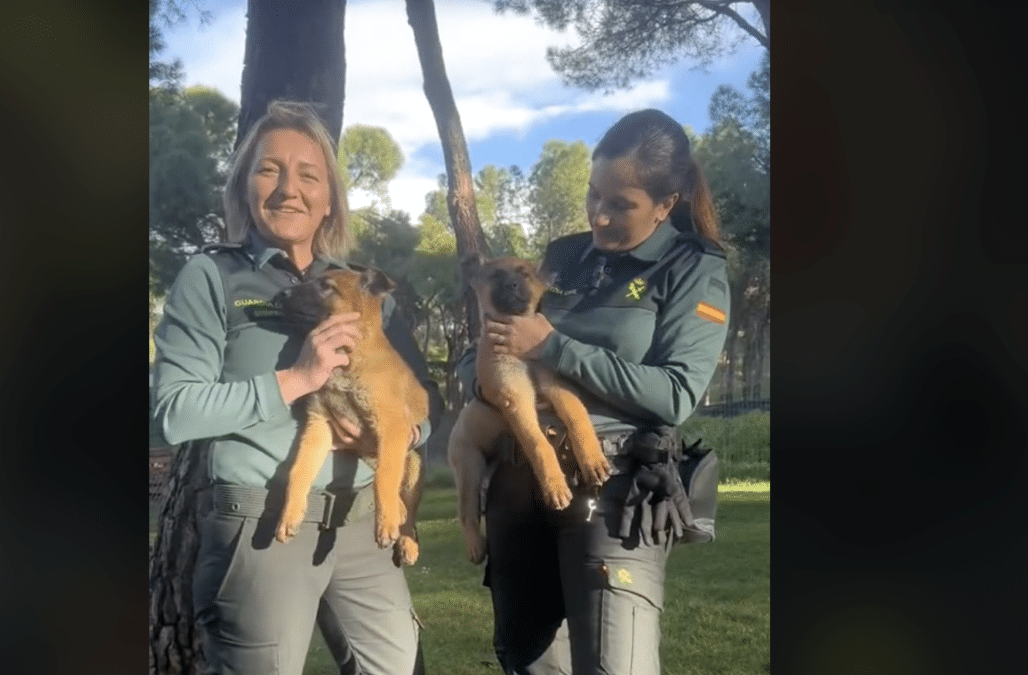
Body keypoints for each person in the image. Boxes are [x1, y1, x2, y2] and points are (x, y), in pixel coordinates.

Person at [152, 99, 442, 675]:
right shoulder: (214, 275)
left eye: (309, 175)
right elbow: (172, 414)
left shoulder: (359, 286)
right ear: (243, 187)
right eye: (269, 169)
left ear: (329, 197)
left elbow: (418, 400)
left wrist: (400, 432)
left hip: (363, 518)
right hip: (263, 516)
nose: (290, 189)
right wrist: (297, 379)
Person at [457, 108, 731, 675]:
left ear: (666, 203)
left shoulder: (692, 267)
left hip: (610, 489)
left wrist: (554, 347)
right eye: (592, 196)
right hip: (515, 484)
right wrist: (478, 372)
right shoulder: (563, 256)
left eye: (621, 204)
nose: (599, 217)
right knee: (531, 665)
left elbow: (677, 392)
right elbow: (499, 341)